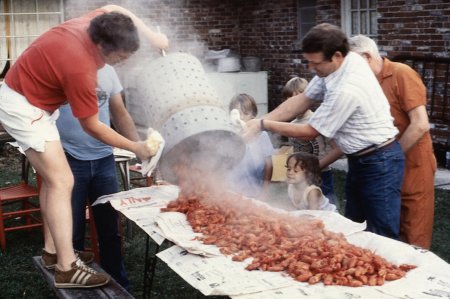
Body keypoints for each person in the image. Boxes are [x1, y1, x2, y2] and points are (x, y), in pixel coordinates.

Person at [0, 5, 168, 288]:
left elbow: (115, 7)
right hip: (24, 106)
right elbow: (93, 127)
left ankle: (54, 253)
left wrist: (152, 36)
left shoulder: (94, 25)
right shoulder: (81, 67)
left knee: (54, 182)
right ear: (105, 48)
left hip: (28, 95)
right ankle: (67, 268)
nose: (122, 62)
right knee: (62, 180)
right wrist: (135, 147)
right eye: (121, 57)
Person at [242, 23, 404, 240]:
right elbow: (303, 99)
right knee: (355, 227)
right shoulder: (341, 64)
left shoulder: (348, 88)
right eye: (308, 61)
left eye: (314, 63)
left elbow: (311, 130)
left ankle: (388, 272)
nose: (310, 68)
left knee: (382, 233)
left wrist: (264, 125)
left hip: (380, 161)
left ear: (337, 56)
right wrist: (258, 121)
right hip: (359, 159)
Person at [349, 35, 437, 249]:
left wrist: (389, 156)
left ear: (367, 56)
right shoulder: (363, 83)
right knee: (379, 234)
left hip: (412, 165)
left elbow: (420, 124)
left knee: (413, 235)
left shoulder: (401, 73)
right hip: (381, 168)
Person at [56, 64, 135, 289]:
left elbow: (120, 113)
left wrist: (139, 145)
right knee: (72, 230)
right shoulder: (64, 67)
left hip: (104, 160)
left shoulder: (109, 71)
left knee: (110, 229)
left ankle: (118, 283)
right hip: (69, 159)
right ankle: (75, 282)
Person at [281, 76, 338, 205]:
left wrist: (316, 168)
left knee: (325, 213)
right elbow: (296, 151)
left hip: (321, 176)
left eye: (298, 101)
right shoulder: (292, 125)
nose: (295, 106)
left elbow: (337, 149)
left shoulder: (318, 121)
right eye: (290, 101)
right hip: (301, 178)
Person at [228, 94, 275, 199]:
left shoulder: (262, 135)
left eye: (245, 113)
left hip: (255, 190)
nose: (241, 117)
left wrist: (265, 189)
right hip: (233, 191)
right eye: (237, 113)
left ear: (253, 115)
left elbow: (269, 165)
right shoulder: (229, 134)